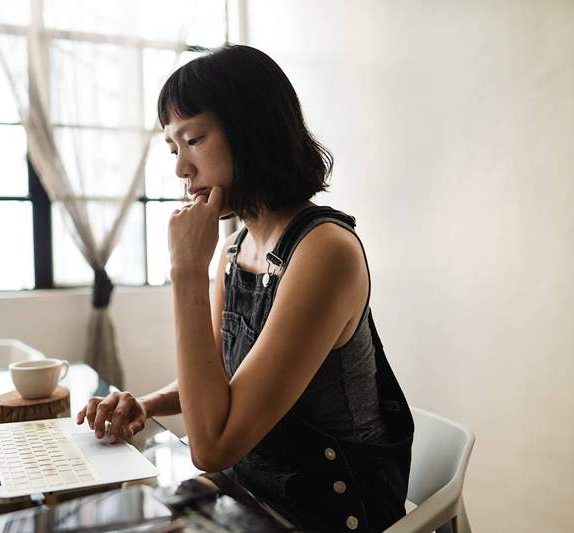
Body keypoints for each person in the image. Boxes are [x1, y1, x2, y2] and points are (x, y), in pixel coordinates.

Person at [76, 45, 414, 532]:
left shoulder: (324, 252)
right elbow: (221, 381)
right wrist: (146, 405)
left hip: (323, 511)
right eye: (173, 148)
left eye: (193, 139)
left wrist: (186, 271)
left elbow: (211, 447)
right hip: (251, 494)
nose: (180, 169)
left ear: (251, 130)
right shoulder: (237, 250)